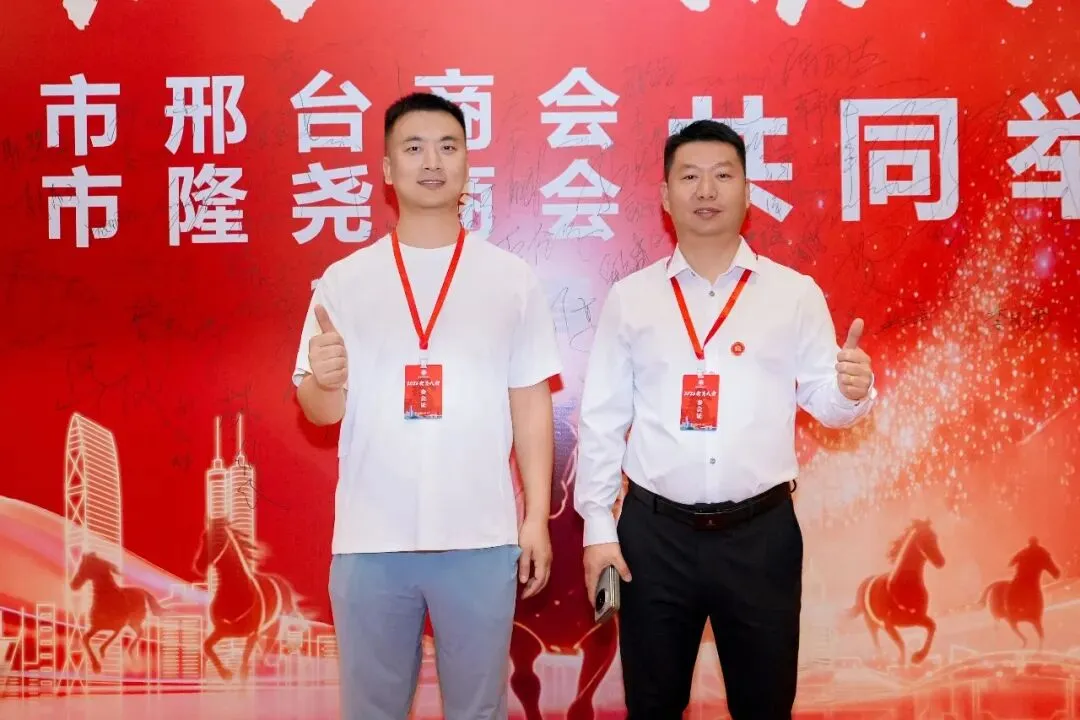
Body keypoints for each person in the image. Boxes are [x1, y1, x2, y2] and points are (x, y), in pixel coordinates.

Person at [573, 119, 877, 719]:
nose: (706, 191)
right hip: (654, 537)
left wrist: (852, 392)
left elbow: (827, 402)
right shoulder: (631, 298)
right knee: (653, 705)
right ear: (665, 196)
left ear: (747, 192)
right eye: (689, 177)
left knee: (765, 706)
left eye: (722, 175)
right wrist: (598, 529)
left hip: (760, 536)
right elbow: (602, 419)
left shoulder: (793, 293)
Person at [292, 91, 563, 720]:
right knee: (372, 711)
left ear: (467, 164)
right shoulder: (344, 280)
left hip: (480, 538)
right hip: (370, 541)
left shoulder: (511, 279)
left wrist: (535, 518)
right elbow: (319, 411)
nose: (432, 162)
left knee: (479, 710)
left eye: (448, 147)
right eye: (413, 148)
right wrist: (325, 380)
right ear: (388, 170)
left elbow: (530, 404)